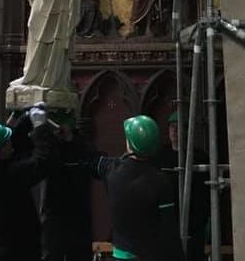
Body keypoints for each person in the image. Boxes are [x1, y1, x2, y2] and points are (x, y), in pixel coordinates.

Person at [90, 115, 184, 261]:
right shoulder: (160, 180)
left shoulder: (111, 169)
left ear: (130, 143)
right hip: (150, 255)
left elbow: (91, 160)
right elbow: (169, 230)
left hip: (121, 256)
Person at [0, 105, 60, 261]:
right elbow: (45, 160)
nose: (11, 145)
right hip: (17, 251)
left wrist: (25, 118)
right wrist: (40, 126)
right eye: (6, 144)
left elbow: (10, 144)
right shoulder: (7, 177)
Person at [152, 112, 210, 261]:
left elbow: (205, 193)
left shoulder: (199, 157)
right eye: (172, 127)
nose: (175, 131)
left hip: (193, 221)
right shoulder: (159, 156)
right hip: (167, 220)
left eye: (179, 127)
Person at [37, 114, 96, 261]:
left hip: (77, 217)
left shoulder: (82, 148)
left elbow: (94, 161)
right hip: (54, 217)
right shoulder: (48, 152)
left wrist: (71, 139)